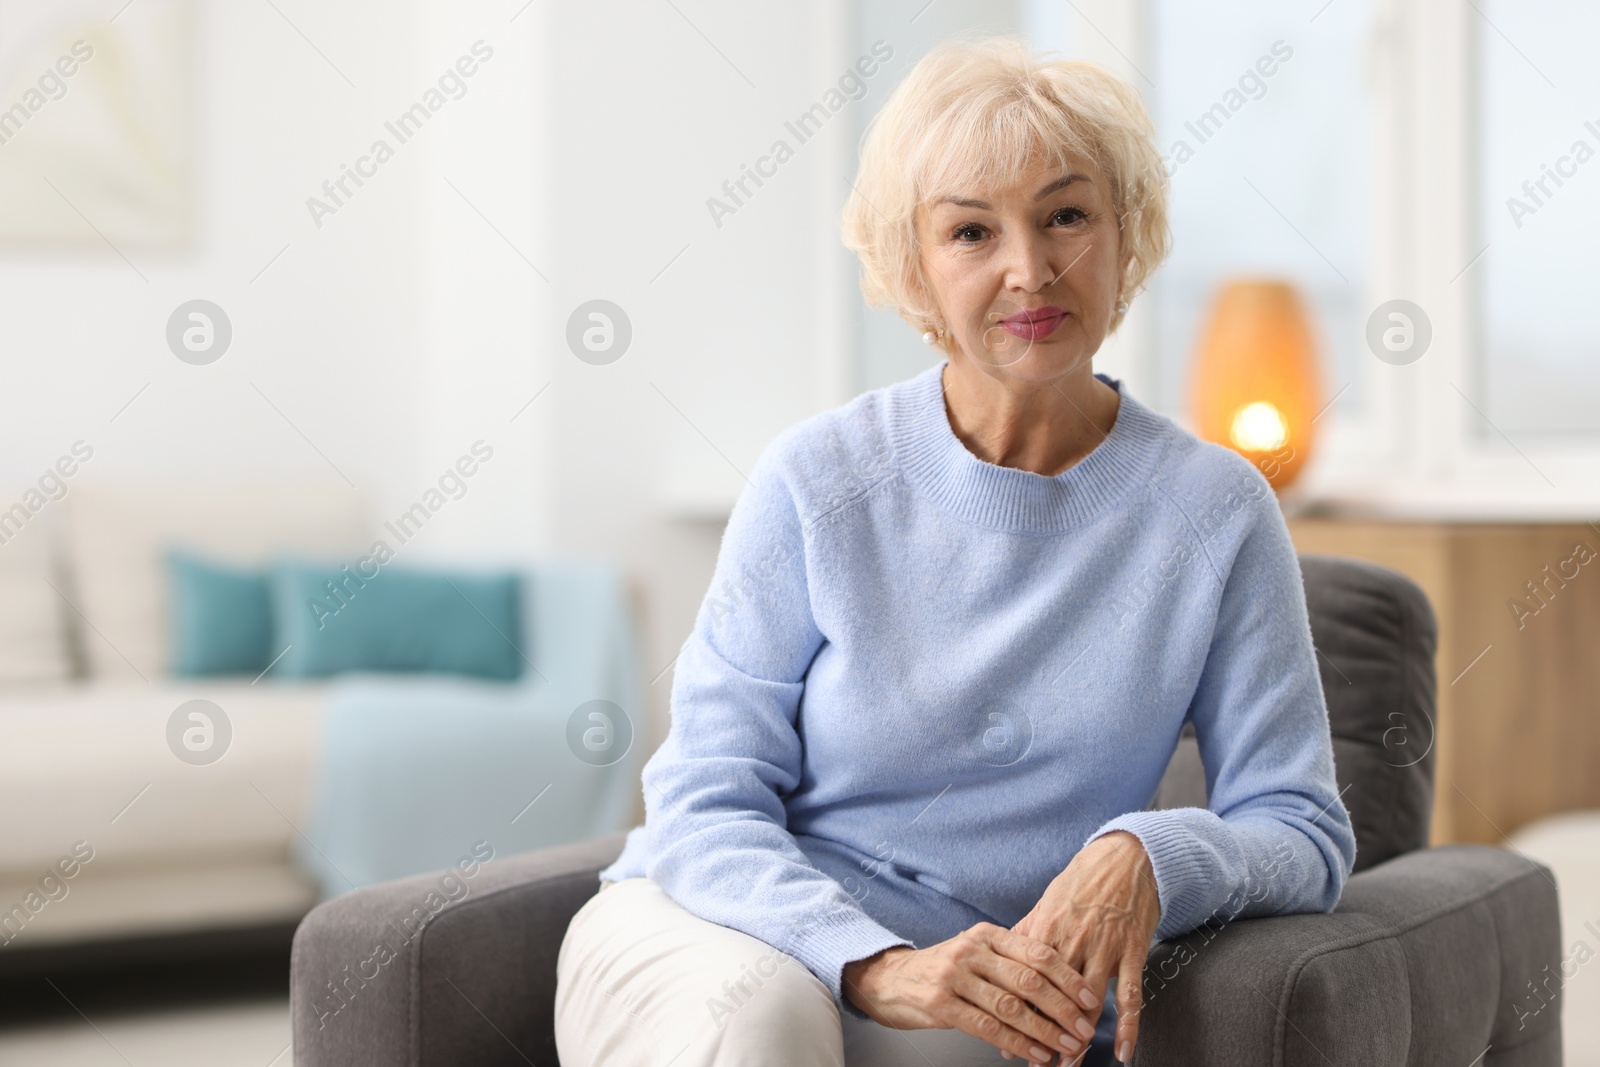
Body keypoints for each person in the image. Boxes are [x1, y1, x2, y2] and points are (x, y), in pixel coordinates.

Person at [554, 37, 1355, 1067]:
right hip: (720, 927)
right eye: (971, 231)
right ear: (916, 270)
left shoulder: (1215, 512)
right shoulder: (818, 479)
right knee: (768, 1022)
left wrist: (1146, 851)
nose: (1030, 268)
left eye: (1066, 215)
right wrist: (873, 961)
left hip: (967, 982)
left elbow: (1302, 825)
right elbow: (705, 801)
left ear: (1127, 234)